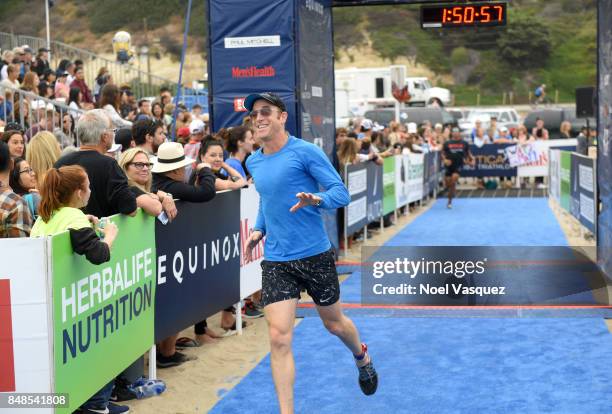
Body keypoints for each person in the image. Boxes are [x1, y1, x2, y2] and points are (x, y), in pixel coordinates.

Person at [242, 92, 378, 413]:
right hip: (277, 260)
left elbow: (340, 193)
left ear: (282, 117)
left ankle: (361, 356)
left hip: (315, 255)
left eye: (266, 112)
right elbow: (266, 199)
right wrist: (260, 228)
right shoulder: (254, 161)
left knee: (334, 325)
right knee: (278, 337)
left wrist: (314, 199)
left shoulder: (306, 152)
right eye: (254, 114)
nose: (259, 118)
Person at [151, 142, 218, 366]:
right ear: (176, 170)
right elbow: (206, 192)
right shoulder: (172, 186)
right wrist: (205, 169)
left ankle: (166, 350)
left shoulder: (160, 183)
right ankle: (166, 353)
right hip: (170, 252)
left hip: (166, 251)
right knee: (174, 299)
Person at [118, 148, 177, 220]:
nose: (145, 168)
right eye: (139, 164)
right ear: (125, 167)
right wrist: (156, 197)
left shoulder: (145, 188)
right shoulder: (127, 189)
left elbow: (156, 192)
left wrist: (167, 197)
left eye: (147, 165)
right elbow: (156, 208)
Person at [0, 141, 33, 237]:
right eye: (27, 170)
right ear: (11, 163)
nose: (33, 173)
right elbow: (20, 248)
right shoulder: (15, 203)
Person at [442, 127, 474, 209]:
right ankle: (452, 190)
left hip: (458, 165)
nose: (455, 133)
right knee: (448, 184)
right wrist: (445, 160)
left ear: (459, 133)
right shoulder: (447, 143)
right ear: (452, 133)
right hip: (449, 165)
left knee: (453, 180)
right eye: (454, 132)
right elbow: (442, 153)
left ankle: (449, 202)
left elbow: (469, 154)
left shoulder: (464, 143)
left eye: (457, 132)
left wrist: (472, 161)